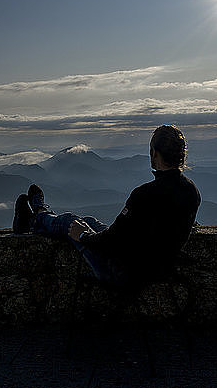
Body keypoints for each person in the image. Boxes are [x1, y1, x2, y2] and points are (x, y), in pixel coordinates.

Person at [13, 125, 201, 294]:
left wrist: (83, 237)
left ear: (154, 154)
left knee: (70, 222)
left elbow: (112, 240)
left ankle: (36, 215)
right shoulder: (191, 192)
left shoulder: (144, 195)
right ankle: (37, 218)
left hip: (122, 271)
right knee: (89, 220)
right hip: (158, 268)